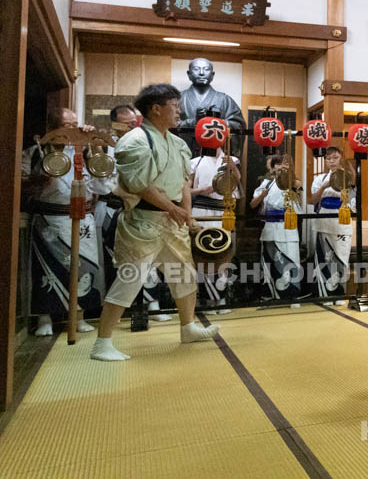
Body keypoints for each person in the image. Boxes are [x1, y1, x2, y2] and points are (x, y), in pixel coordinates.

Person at [90, 84, 221, 361]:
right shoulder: (134, 140)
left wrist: (185, 211)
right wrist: (172, 208)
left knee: (184, 275)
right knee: (130, 278)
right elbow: (138, 185)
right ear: (156, 108)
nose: (179, 111)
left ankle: (188, 327)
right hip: (143, 219)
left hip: (172, 219)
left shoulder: (177, 143)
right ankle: (102, 343)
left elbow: (185, 181)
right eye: (174, 105)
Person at [22, 108, 117, 337]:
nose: (72, 128)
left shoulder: (84, 152)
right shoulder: (35, 151)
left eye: (75, 123)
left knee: (84, 266)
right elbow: (21, 183)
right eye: (66, 124)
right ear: (53, 125)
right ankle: (45, 317)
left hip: (82, 216)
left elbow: (102, 187)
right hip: (49, 218)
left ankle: (79, 314)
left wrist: (93, 146)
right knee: (48, 268)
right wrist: (41, 178)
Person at [95, 105, 173, 323]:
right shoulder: (104, 146)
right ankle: (114, 312)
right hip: (111, 207)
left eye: (134, 122)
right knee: (114, 260)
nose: (132, 126)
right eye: (126, 123)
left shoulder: (145, 143)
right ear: (114, 123)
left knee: (147, 258)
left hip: (140, 208)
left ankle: (151, 303)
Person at [189, 144, 242, 314]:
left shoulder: (231, 160)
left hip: (223, 210)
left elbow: (237, 181)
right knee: (202, 253)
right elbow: (186, 190)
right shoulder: (195, 162)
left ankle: (221, 299)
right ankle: (206, 300)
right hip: (201, 209)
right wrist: (201, 190)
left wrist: (232, 167)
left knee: (223, 252)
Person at [251, 155, 306, 306]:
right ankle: (270, 296)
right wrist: (262, 195)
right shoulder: (267, 183)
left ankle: (292, 296)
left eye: (286, 164)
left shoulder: (294, 182)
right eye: (280, 164)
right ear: (273, 167)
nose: (283, 166)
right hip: (269, 226)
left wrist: (295, 188)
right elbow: (253, 204)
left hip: (287, 226)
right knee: (270, 261)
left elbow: (300, 202)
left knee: (291, 259)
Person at [308, 147, 354, 300]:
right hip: (324, 221)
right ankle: (325, 295)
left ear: (341, 157)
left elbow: (354, 201)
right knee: (324, 258)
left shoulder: (349, 178)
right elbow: (312, 201)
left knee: (341, 256)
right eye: (328, 159)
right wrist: (323, 187)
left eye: (335, 157)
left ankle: (339, 294)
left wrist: (344, 182)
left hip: (341, 220)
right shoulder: (319, 179)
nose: (332, 161)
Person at [177, 58, 245, 156]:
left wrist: (216, 123)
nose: (201, 73)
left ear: (212, 75)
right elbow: (168, 127)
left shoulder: (224, 99)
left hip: (215, 156)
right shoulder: (178, 99)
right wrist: (193, 121)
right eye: (196, 69)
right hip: (184, 154)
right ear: (189, 74)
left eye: (206, 69)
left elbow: (239, 126)